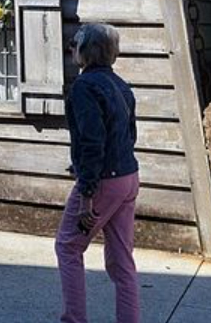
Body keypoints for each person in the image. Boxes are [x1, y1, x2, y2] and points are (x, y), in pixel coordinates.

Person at [55, 23, 141, 323]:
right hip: (128, 177)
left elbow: (92, 141)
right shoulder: (121, 85)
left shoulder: (84, 87)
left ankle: (74, 319)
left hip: (103, 182)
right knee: (122, 260)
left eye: (75, 43)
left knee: (68, 246)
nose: (71, 48)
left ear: (86, 50)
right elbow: (129, 136)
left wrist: (87, 193)